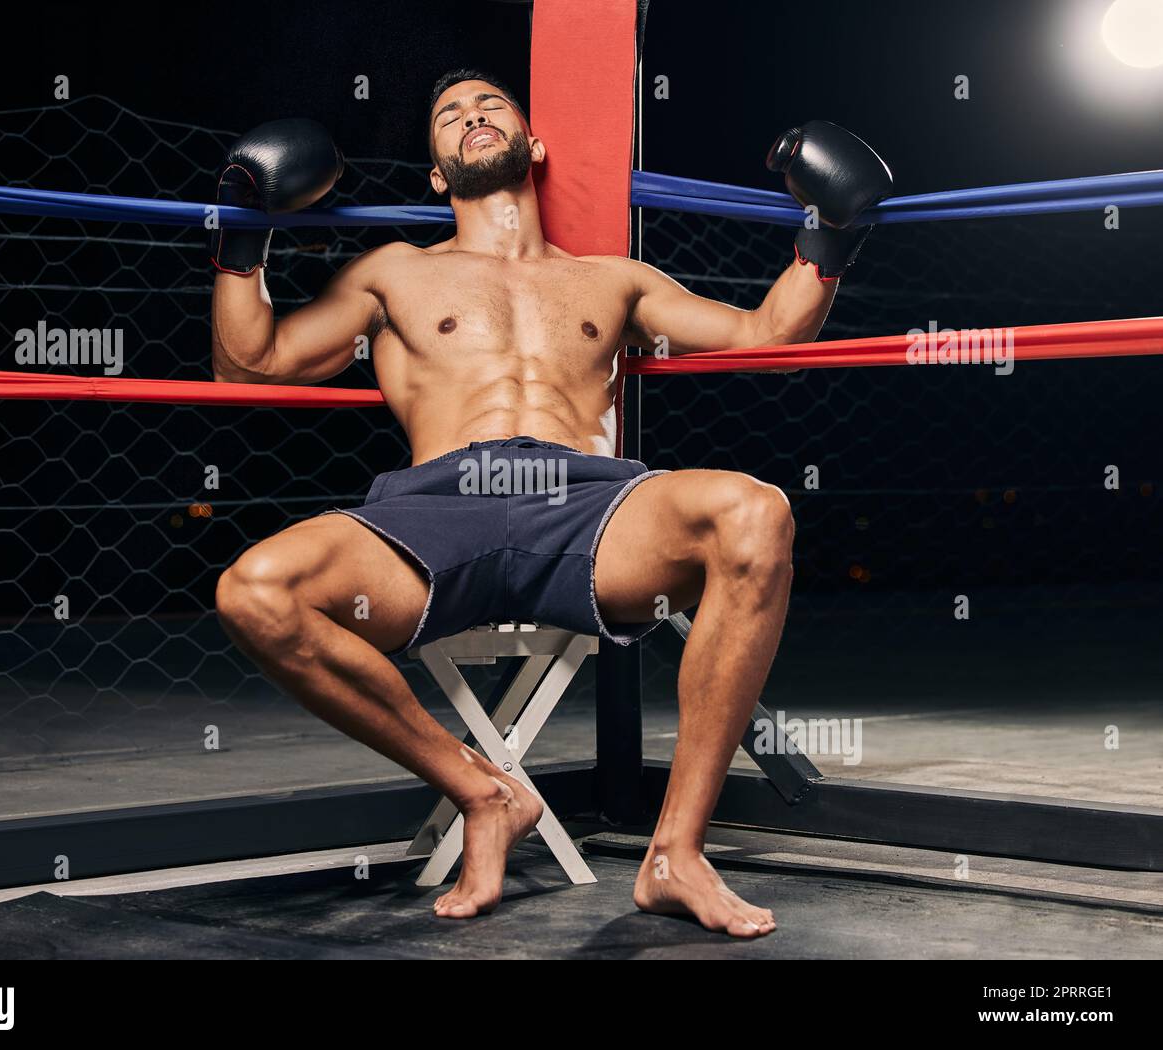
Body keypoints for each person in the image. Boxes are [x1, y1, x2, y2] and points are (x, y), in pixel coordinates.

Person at [210, 69, 891, 936]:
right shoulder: (393, 274)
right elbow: (251, 363)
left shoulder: (616, 279)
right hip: (436, 512)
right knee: (254, 590)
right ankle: (482, 790)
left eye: (492, 105)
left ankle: (675, 853)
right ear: (434, 172)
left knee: (755, 513)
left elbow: (767, 336)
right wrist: (242, 235)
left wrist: (831, 236)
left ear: (533, 145)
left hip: (587, 510)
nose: (471, 116)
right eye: (449, 115)